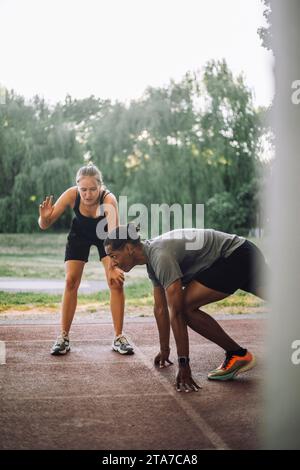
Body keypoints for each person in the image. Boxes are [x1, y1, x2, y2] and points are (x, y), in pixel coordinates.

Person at [104, 224, 269, 392]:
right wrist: (164, 349)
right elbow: (160, 309)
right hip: (244, 252)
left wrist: (183, 363)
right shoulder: (152, 260)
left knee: (185, 308)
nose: (113, 263)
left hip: (236, 255)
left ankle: (238, 354)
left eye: (113, 256)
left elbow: (176, 312)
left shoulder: (160, 256)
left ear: (129, 248)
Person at [38, 163, 134, 356]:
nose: (88, 194)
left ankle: (118, 337)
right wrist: (44, 219)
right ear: (77, 187)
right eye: (83, 189)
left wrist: (114, 266)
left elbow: (114, 236)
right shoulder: (71, 195)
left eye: (92, 189)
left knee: (115, 282)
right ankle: (63, 337)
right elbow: (44, 225)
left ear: (100, 187)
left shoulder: (109, 200)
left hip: (106, 238)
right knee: (70, 281)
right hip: (79, 234)